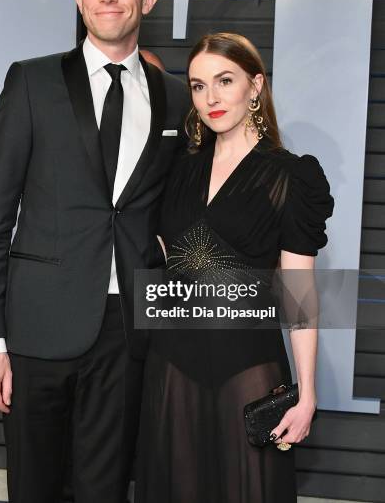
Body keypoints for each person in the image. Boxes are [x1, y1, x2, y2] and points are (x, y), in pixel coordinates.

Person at [0, 0, 189, 503]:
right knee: (34, 489)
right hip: (37, 328)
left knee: (106, 490)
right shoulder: (33, 81)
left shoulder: (175, 98)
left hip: (128, 335)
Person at [135, 32, 334, 503]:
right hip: (171, 367)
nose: (212, 98)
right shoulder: (178, 169)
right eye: (199, 86)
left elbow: (298, 289)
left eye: (225, 81)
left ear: (255, 85)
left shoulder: (290, 175)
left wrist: (306, 393)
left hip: (249, 369)